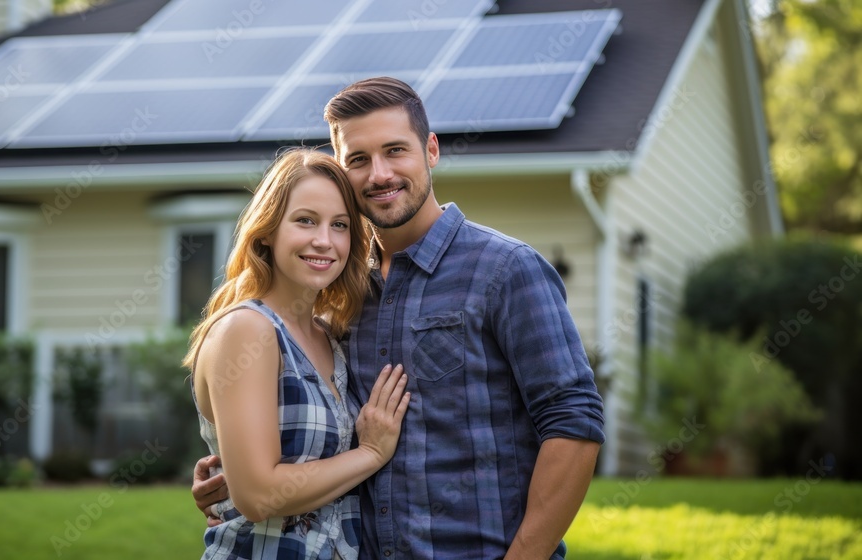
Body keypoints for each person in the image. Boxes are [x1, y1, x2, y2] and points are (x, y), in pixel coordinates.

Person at [193, 78, 605, 560]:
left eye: (395, 151)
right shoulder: (339, 298)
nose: (380, 173)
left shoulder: (505, 270)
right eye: (359, 159)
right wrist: (236, 477)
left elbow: (573, 423)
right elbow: (298, 441)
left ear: (431, 150)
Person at [183, 148, 411, 560]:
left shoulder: (330, 337)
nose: (324, 240)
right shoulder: (247, 330)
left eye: (339, 225)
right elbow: (258, 497)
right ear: (268, 230)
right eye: (305, 220)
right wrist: (370, 454)